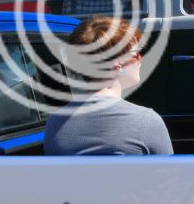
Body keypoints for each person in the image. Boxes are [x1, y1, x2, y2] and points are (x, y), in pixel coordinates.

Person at [44, 16, 173, 155]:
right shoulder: (145, 120)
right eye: (136, 54)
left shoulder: (54, 122)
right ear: (117, 63)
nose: (140, 59)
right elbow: (169, 174)